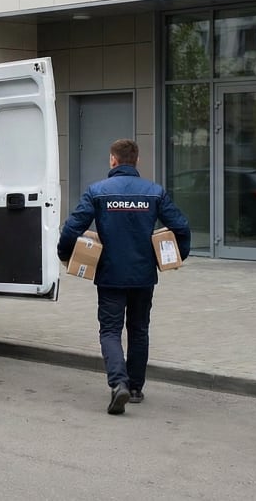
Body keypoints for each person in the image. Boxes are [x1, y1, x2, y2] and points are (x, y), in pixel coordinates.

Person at [57, 139, 190, 416]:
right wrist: (176, 256)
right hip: (143, 275)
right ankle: (136, 388)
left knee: (110, 331)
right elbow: (181, 226)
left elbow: (72, 228)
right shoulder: (154, 192)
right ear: (137, 160)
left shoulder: (97, 191)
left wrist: (65, 254)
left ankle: (119, 383)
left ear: (113, 160)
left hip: (110, 275)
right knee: (139, 330)